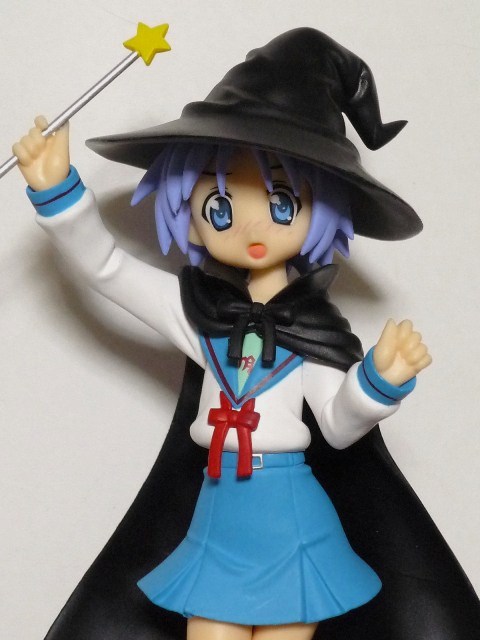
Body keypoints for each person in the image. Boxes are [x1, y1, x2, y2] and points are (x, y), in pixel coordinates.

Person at [13, 27, 478, 640]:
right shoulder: (196, 313)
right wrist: (57, 194)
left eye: (282, 203)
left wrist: (377, 381)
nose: (251, 227)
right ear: (190, 211)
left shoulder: (312, 330)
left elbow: (338, 426)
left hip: (292, 516)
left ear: (324, 208)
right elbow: (109, 269)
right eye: (221, 207)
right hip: (221, 513)